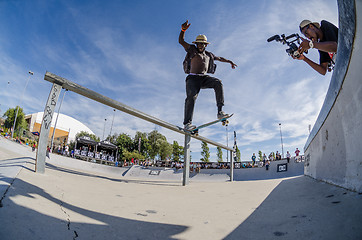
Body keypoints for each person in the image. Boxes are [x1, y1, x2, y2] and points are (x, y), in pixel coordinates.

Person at [179, 20, 237, 130]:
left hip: (204, 78)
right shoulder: (191, 49)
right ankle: (187, 123)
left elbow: (219, 58)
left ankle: (220, 111)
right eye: (199, 44)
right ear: (196, 44)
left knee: (218, 83)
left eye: (202, 44)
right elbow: (181, 41)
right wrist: (183, 30)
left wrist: (229, 61)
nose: (200, 46)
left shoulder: (209, 55)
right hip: (192, 78)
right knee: (192, 97)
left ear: (205, 45)